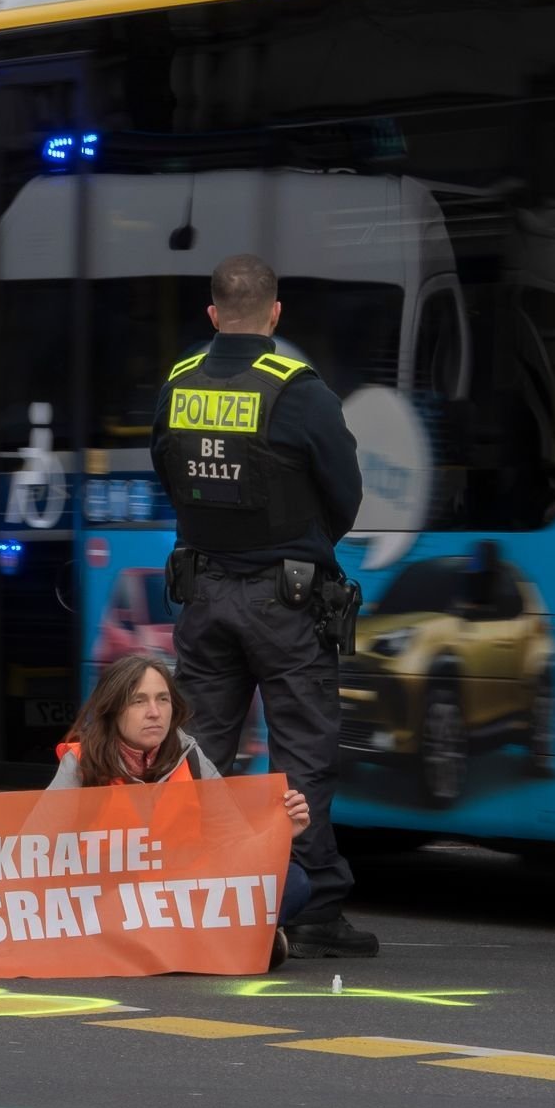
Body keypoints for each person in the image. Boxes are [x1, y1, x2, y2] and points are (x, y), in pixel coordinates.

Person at [151, 253, 376, 958]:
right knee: (302, 753)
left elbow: (169, 472)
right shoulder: (299, 392)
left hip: (205, 591)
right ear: (275, 314)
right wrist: (300, 548)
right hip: (287, 599)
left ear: (213, 314)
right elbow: (345, 494)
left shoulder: (178, 384)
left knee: (201, 751)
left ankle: (197, 894)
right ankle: (310, 904)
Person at [52, 653, 311, 966]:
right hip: (112, 900)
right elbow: (35, 852)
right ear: (113, 709)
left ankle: (180, 946)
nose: (154, 712)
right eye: (138, 701)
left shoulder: (190, 757)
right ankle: (227, 943)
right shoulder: (80, 764)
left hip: (185, 898)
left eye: (162, 699)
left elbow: (233, 843)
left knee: (293, 880)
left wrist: (280, 834)